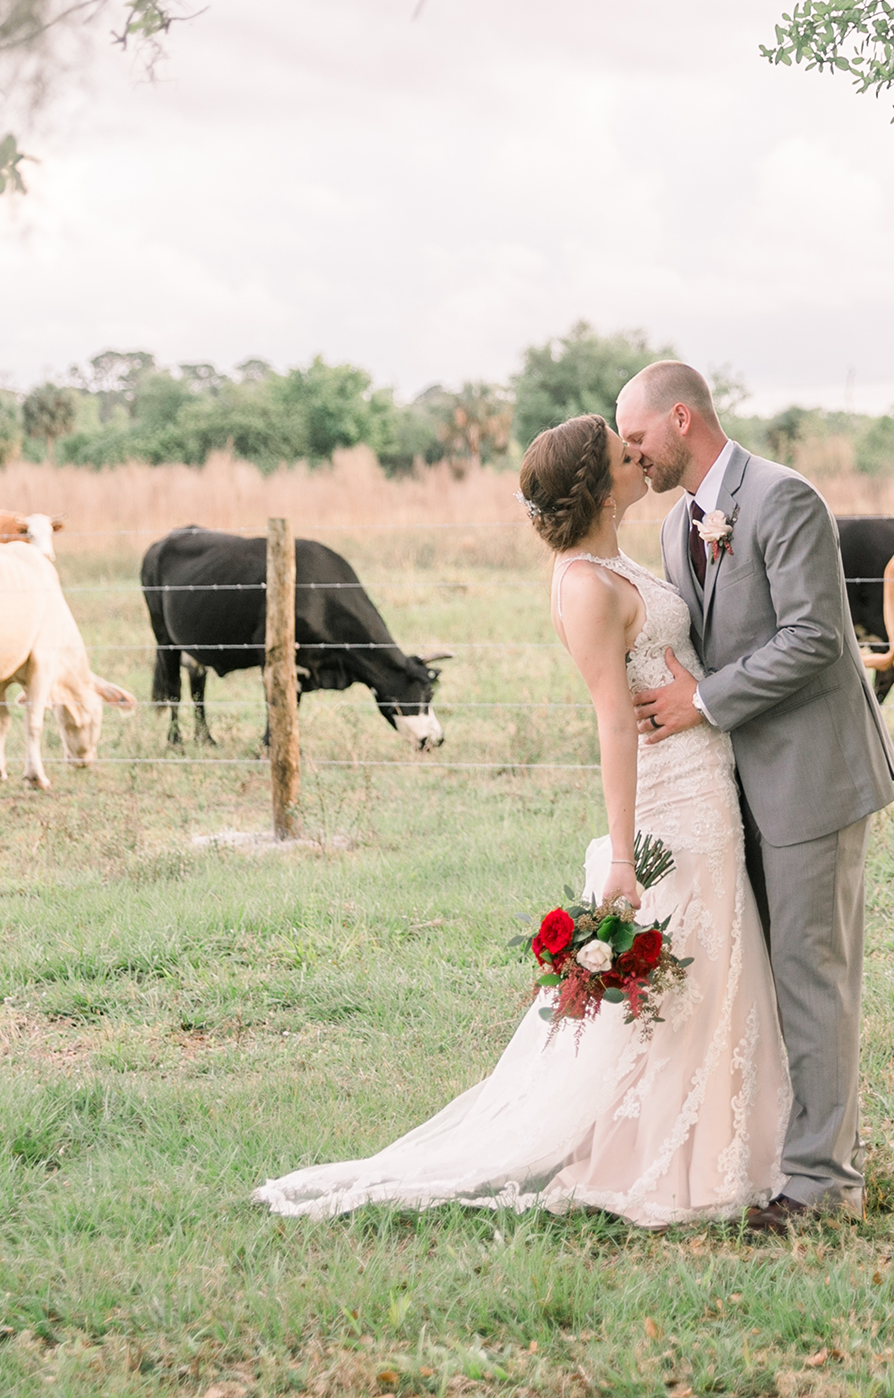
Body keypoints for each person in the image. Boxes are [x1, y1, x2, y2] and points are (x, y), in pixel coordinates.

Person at [252, 413, 790, 1228]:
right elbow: (613, 721)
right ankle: (663, 1162)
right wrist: (619, 851)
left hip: (705, 777)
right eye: (622, 454)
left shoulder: (616, 562)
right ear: (599, 486)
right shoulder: (583, 584)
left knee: (712, 970)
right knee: (682, 975)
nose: (637, 456)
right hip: (669, 798)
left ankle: (720, 1144)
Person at [616, 362, 894, 1231]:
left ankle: (824, 1186)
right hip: (732, 790)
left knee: (812, 977)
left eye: (637, 439)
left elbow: (816, 638)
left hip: (812, 776)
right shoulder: (675, 528)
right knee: (764, 981)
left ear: (680, 418)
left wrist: (700, 701)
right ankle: (785, 1154)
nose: (633, 457)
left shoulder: (785, 499)